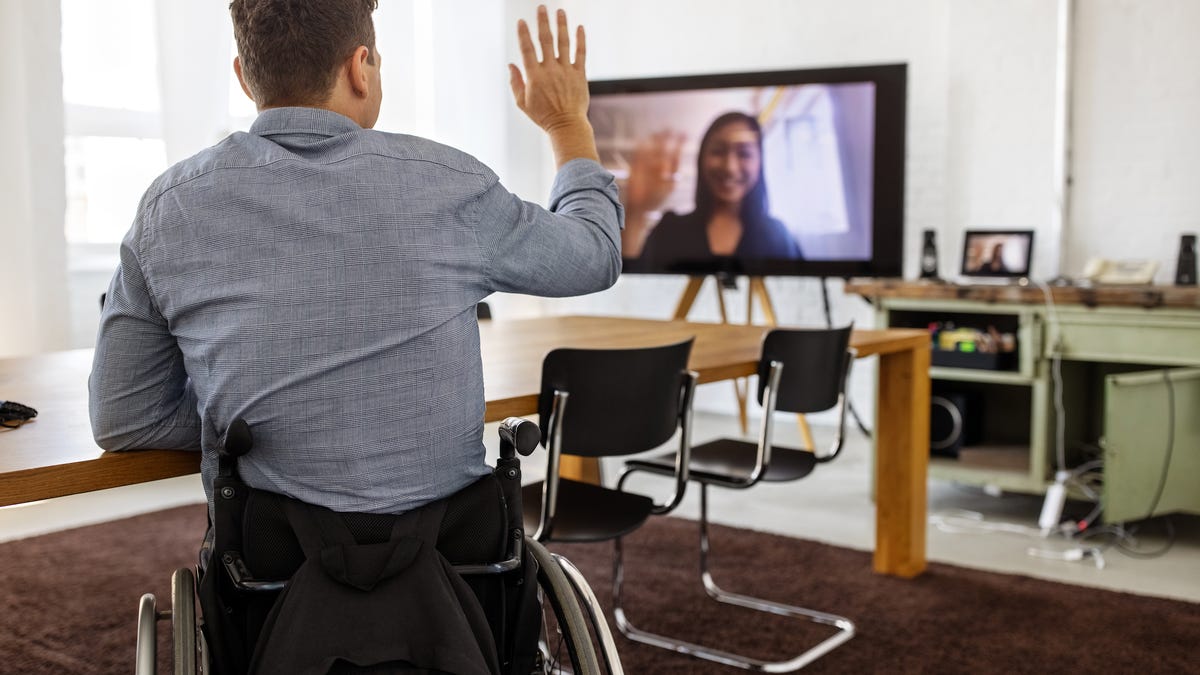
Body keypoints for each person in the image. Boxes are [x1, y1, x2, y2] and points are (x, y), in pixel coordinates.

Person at [88, 2, 621, 521]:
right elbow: (594, 252)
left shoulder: (170, 208)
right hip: (453, 558)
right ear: (359, 68)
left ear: (245, 79)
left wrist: (257, 414)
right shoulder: (452, 186)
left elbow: (126, 417)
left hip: (266, 562)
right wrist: (565, 123)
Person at [622, 111, 802, 270]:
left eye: (744, 154)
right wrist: (636, 211)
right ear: (702, 159)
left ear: (760, 162)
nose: (730, 168)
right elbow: (629, 282)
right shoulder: (670, 229)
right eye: (718, 151)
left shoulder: (778, 236)